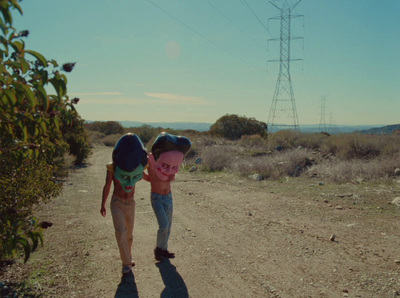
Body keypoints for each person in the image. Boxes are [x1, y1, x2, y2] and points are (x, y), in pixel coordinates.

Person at [100, 133, 147, 274]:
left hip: (131, 203)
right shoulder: (113, 169)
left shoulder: (135, 166)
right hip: (117, 202)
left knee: (129, 235)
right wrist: (103, 204)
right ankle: (126, 263)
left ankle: (128, 256)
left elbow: (145, 177)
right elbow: (107, 185)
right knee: (121, 233)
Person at [143, 132, 191, 261]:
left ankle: (164, 249)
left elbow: (169, 178)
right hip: (156, 197)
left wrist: (170, 176)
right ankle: (158, 250)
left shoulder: (169, 162)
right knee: (163, 225)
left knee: (168, 225)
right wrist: (148, 178)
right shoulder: (151, 161)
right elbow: (142, 172)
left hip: (168, 197)